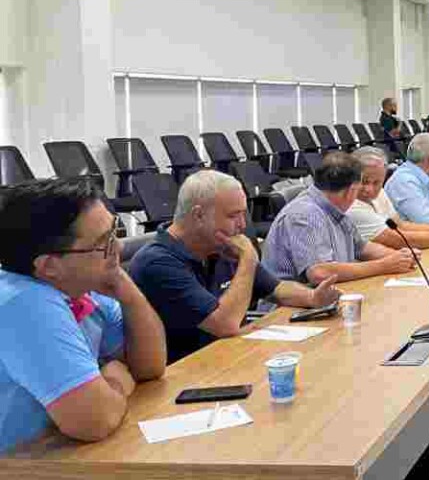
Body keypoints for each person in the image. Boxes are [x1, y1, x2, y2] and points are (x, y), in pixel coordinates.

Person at [0, 180, 166, 452]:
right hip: (20, 464)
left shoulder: (81, 288)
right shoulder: (23, 303)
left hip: (60, 454)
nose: (119, 249)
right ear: (49, 266)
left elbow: (149, 367)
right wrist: (116, 379)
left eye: (115, 233)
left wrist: (128, 293)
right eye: (104, 243)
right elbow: (96, 420)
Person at [130, 171, 341, 363]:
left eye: (243, 214)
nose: (242, 225)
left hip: (223, 359)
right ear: (198, 215)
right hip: (182, 376)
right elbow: (225, 324)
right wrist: (248, 259)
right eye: (233, 216)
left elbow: (277, 288)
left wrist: (312, 297)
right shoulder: (156, 262)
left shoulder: (217, 246)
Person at [264, 152, 418, 284]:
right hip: (290, 305)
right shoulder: (305, 215)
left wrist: (399, 257)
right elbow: (319, 273)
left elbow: (362, 248)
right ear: (351, 191)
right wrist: (383, 266)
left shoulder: (335, 208)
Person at [346, 147, 429, 250]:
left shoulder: (380, 193)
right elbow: (396, 239)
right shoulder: (351, 206)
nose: (369, 189)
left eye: (377, 183)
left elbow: (400, 225)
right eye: (364, 181)